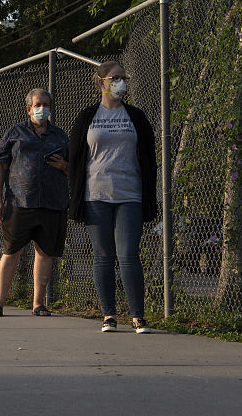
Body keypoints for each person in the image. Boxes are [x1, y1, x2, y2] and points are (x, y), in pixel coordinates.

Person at [68, 61, 156, 333]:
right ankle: (108, 315)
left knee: (128, 254)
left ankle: (138, 316)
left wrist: (149, 196)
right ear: (100, 82)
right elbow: (75, 158)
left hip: (130, 195)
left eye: (122, 78)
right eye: (114, 78)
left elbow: (149, 157)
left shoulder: (136, 117)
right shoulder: (87, 117)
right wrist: (76, 195)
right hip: (96, 195)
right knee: (103, 255)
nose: (120, 82)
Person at [0, 88, 70, 317]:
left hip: (52, 203)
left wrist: (64, 166)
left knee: (44, 252)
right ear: (29, 108)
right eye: (38, 104)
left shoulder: (60, 136)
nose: (42, 108)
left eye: (46, 104)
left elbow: (73, 167)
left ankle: (38, 303)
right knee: (11, 251)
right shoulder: (15, 133)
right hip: (19, 202)